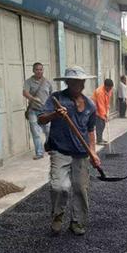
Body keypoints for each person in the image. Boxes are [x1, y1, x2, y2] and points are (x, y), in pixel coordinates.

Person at [38, 66, 100, 236]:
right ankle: (58, 215)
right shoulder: (56, 98)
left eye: (81, 82)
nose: (78, 85)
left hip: (81, 153)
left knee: (80, 189)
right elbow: (40, 119)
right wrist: (55, 115)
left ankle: (77, 222)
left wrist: (93, 152)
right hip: (60, 151)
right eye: (74, 82)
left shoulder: (89, 105)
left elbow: (90, 130)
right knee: (60, 187)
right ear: (67, 82)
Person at [23, 62, 53, 159]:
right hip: (33, 110)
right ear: (33, 70)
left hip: (45, 111)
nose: (39, 71)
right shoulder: (28, 81)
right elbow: (25, 93)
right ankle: (39, 153)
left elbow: (51, 96)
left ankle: (49, 147)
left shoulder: (47, 82)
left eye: (41, 69)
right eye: (37, 69)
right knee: (35, 132)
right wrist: (33, 98)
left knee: (48, 131)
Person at [92, 78, 114, 145]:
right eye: (109, 88)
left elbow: (107, 101)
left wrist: (107, 110)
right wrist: (105, 115)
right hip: (95, 108)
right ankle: (99, 140)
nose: (110, 89)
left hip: (101, 107)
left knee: (103, 124)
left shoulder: (109, 90)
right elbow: (100, 106)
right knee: (99, 124)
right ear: (105, 86)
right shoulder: (100, 92)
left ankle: (100, 138)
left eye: (111, 88)